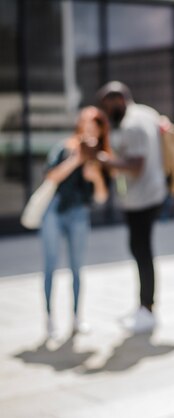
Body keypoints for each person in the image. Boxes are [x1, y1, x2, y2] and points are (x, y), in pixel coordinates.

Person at [96, 81, 167, 333]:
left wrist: (106, 161)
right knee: (140, 249)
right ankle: (144, 306)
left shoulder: (132, 124)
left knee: (141, 251)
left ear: (119, 100)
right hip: (151, 193)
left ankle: (147, 308)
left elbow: (136, 166)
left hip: (142, 198)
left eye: (108, 105)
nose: (106, 111)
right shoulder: (147, 112)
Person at [41, 106, 111, 339]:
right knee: (50, 266)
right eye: (87, 125)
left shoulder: (101, 156)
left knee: (77, 268)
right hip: (55, 211)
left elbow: (101, 197)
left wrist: (96, 176)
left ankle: (76, 318)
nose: (90, 131)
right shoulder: (64, 147)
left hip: (79, 213)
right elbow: (51, 176)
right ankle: (50, 318)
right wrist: (75, 160)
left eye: (95, 127)